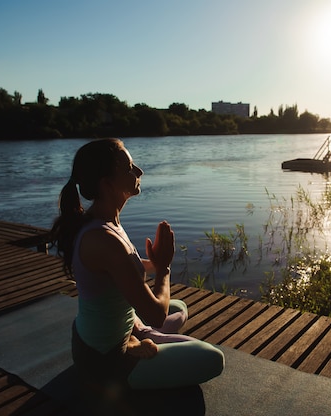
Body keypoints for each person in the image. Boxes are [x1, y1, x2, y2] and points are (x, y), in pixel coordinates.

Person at [51, 138, 224, 390]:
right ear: (107, 184)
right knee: (213, 359)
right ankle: (136, 342)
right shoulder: (103, 239)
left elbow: (122, 270)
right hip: (106, 360)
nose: (139, 171)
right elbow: (156, 314)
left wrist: (152, 263)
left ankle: (139, 334)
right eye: (129, 167)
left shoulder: (104, 222)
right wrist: (163, 268)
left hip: (105, 332)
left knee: (180, 306)